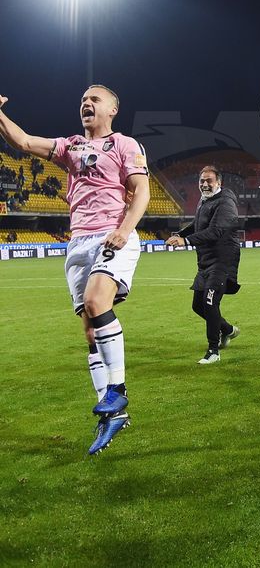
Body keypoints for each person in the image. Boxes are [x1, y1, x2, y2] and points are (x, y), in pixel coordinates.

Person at [0, 84, 149, 454]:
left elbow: (141, 191)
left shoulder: (125, 145)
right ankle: (112, 416)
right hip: (78, 243)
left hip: (112, 235)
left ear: (113, 109)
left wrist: (124, 230)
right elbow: (23, 142)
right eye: (83, 99)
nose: (87, 103)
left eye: (95, 99)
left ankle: (117, 390)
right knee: (89, 332)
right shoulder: (70, 146)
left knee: (98, 302)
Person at [167, 166, 243, 364]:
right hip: (205, 261)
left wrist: (187, 241)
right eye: (202, 181)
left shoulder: (225, 202)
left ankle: (213, 351)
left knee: (210, 303)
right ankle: (227, 330)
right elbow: (198, 224)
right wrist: (180, 234)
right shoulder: (205, 200)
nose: (205, 184)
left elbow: (217, 231)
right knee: (197, 305)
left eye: (209, 180)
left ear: (219, 182)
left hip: (222, 260)